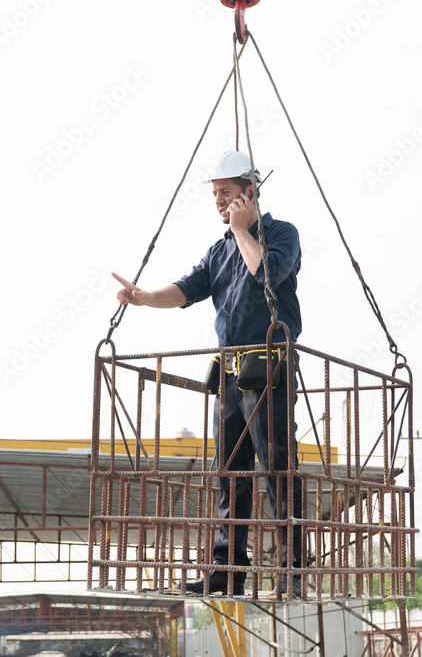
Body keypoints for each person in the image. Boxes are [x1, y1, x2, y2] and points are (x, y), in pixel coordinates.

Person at [113, 150, 305, 596]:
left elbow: (267, 274)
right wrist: (143, 297)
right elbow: (186, 290)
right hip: (232, 375)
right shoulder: (219, 252)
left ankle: (291, 571)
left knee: (277, 467)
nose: (219, 201)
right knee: (229, 474)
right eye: (215, 194)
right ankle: (226, 571)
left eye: (227, 193)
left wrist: (243, 230)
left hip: (269, 367)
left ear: (250, 193)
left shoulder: (281, 234)